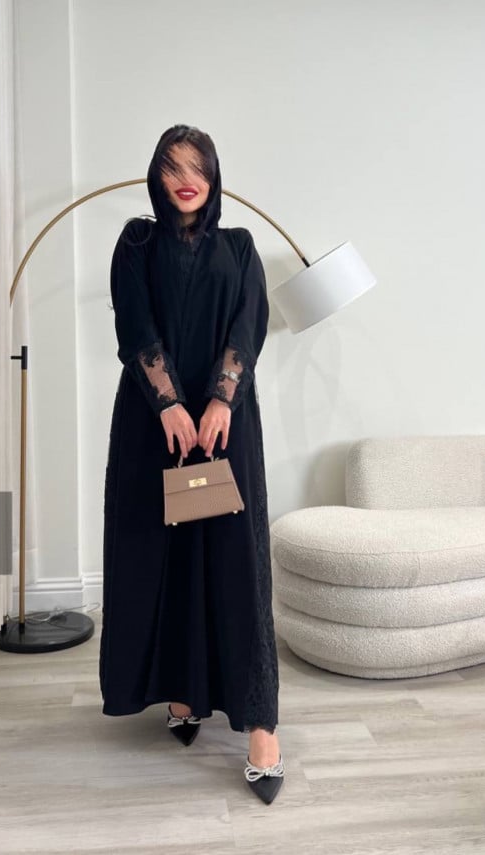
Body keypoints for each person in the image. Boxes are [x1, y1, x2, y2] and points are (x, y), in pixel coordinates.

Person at [99, 123, 284, 804]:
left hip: (224, 428)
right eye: (173, 167)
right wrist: (170, 403)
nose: (187, 180)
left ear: (214, 176)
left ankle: (262, 727)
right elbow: (135, 326)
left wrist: (220, 397)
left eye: (198, 167)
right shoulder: (136, 242)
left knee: (236, 564)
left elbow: (247, 325)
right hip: (156, 429)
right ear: (156, 175)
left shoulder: (239, 246)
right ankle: (181, 693)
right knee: (165, 558)